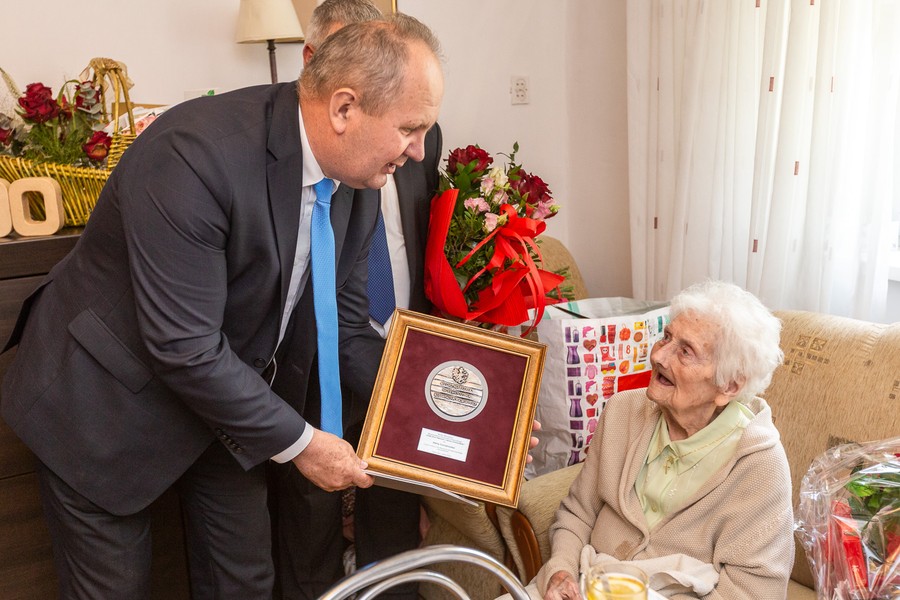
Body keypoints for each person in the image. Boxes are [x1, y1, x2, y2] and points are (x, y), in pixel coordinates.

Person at [0, 14, 444, 600]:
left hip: (225, 406)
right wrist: (306, 444)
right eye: (409, 129)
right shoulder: (194, 155)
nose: (417, 152)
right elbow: (184, 347)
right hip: (105, 401)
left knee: (245, 583)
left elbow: (346, 325)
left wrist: (443, 407)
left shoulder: (359, 181)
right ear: (344, 109)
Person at [267, 1, 443, 598]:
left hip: (396, 345)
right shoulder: (294, 156)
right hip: (320, 364)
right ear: (317, 69)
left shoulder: (421, 138)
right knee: (310, 532)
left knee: (392, 523)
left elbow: (421, 238)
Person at [533, 280, 794, 599]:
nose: (659, 356)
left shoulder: (759, 467)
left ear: (728, 386)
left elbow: (755, 592)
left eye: (686, 352)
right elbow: (578, 513)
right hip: (587, 584)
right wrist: (561, 573)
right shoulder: (621, 411)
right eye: (667, 337)